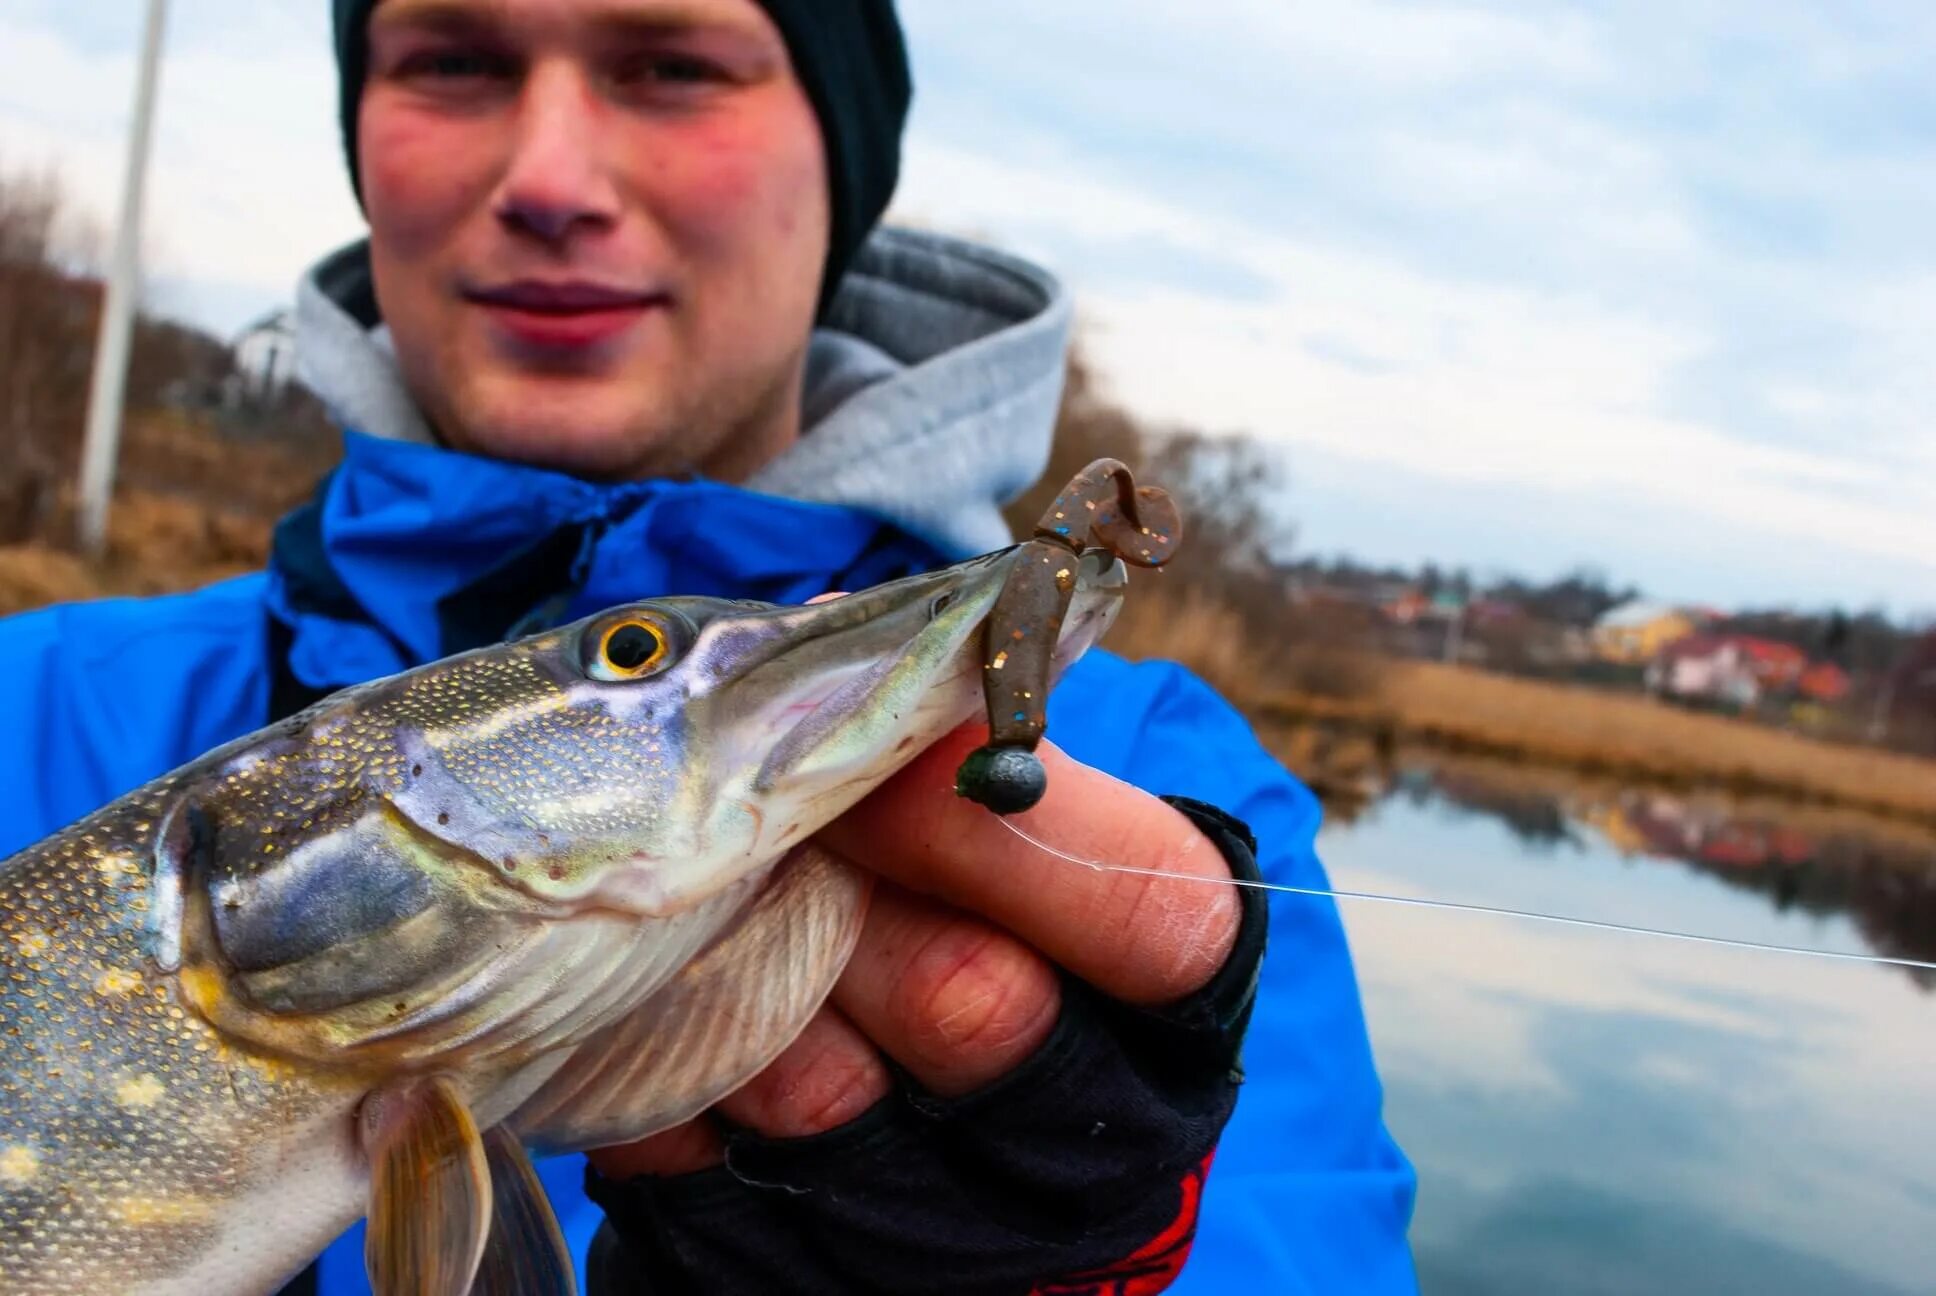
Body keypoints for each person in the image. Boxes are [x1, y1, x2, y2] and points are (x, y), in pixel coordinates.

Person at [0, 0, 1418, 1290]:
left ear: (841, 162)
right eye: (451, 60)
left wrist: (1098, 1271)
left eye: (674, 64)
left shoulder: (1176, 787)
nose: (549, 179)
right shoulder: (31, 705)